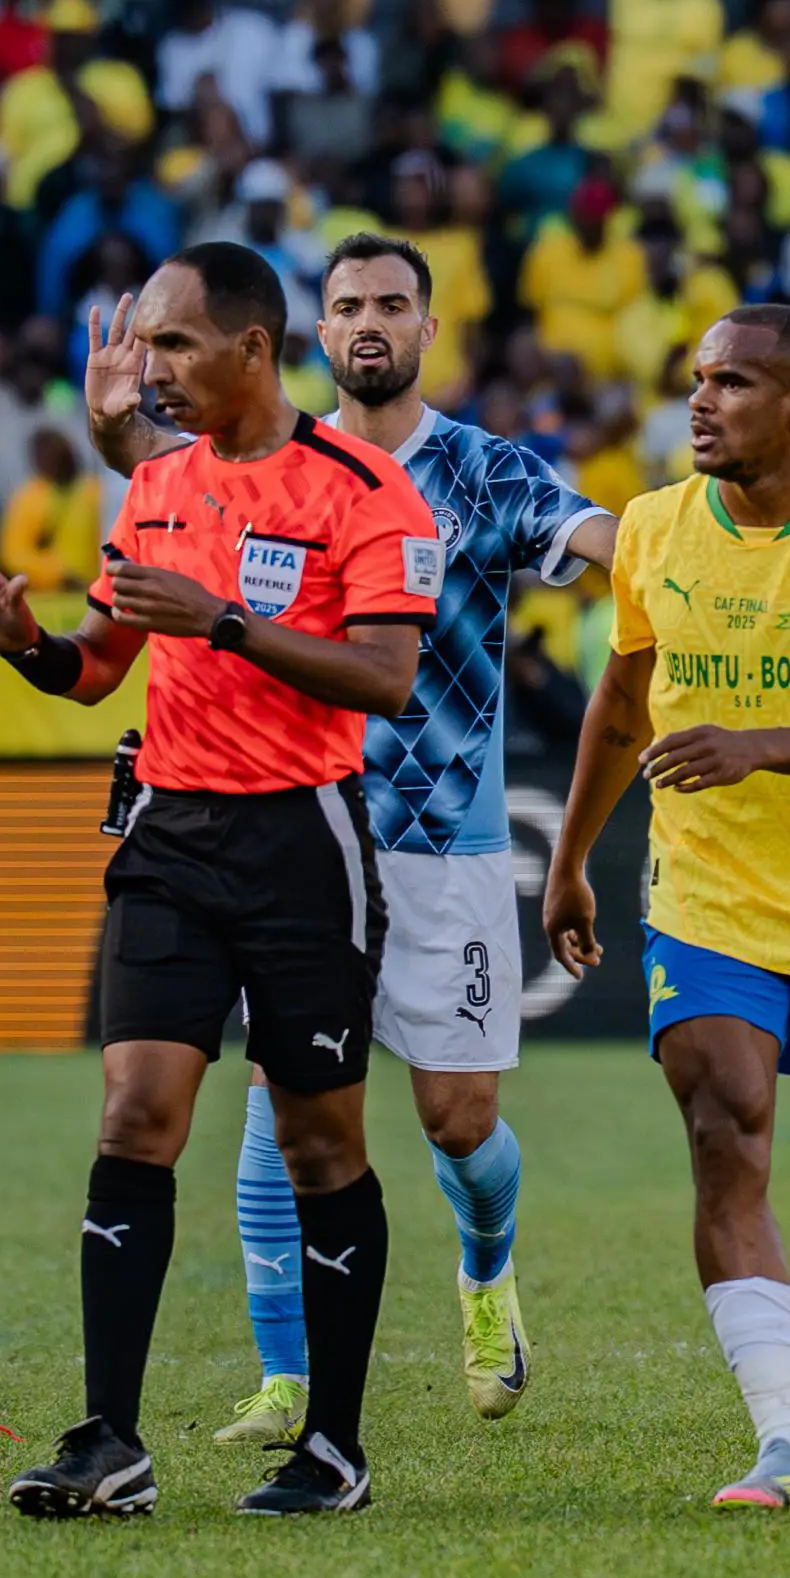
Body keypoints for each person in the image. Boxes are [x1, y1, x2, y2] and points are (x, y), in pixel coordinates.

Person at [0, 242, 443, 1521]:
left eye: (169, 344)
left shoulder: (364, 491)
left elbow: (384, 679)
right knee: (130, 1118)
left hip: (302, 843)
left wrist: (218, 618)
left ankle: (332, 1445)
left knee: (323, 1140)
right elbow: (96, 668)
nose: (142, 369)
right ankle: (109, 1438)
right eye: (141, 344)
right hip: (168, 833)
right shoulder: (154, 486)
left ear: (251, 350)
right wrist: (20, 642)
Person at [185, 232, 616, 1451]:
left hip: (446, 846)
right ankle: (282, 1379)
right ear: (318, 332)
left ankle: (487, 1279)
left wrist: (680, 558)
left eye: (390, 303)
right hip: (303, 829)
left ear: (430, 329)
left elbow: (599, 540)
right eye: (346, 304)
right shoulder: (275, 466)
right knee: (279, 1095)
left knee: (456, 1118)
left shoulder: (480, 472)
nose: (367, 321)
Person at [540, 306, 790, 1508]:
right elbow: (620, 706)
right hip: (703, 893)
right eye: (697, 380)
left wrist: (753, 746)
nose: (699, 403)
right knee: (727, 1124)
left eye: (731, 383)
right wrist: (568, 860)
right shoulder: (654, 529)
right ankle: (778, 1438)